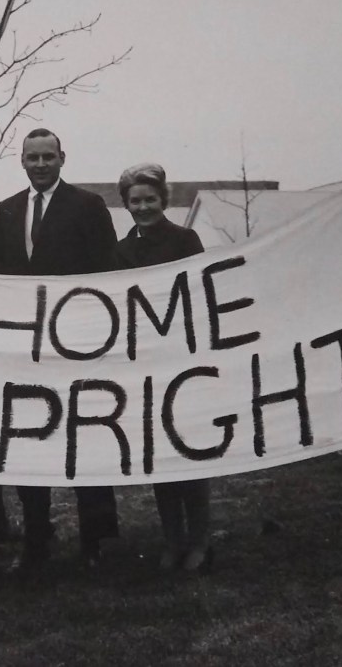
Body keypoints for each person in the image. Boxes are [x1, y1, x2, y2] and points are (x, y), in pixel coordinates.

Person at [0, 128, 119, 576]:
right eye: (32, 157)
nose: (41, 164)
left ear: (63, 158)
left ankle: (96, 540)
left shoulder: (88, 206)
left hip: (79, 343)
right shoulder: (6, 211)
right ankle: (36, 539)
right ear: (21, 161)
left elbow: (108, 273)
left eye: (48, 156)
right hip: (25, 346)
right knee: (29, 438)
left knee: (89, 435)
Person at [113, 162, 212, 572]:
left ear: (163, 200)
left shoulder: (185, 239)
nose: (143, 207)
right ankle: (172, 540)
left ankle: (200, 540)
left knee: (192, 452)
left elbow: (203, 294)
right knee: (160, 455)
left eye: (150, 199)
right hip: (144, 366)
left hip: (182, 361)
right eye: (135, 201)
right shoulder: (120, 250)